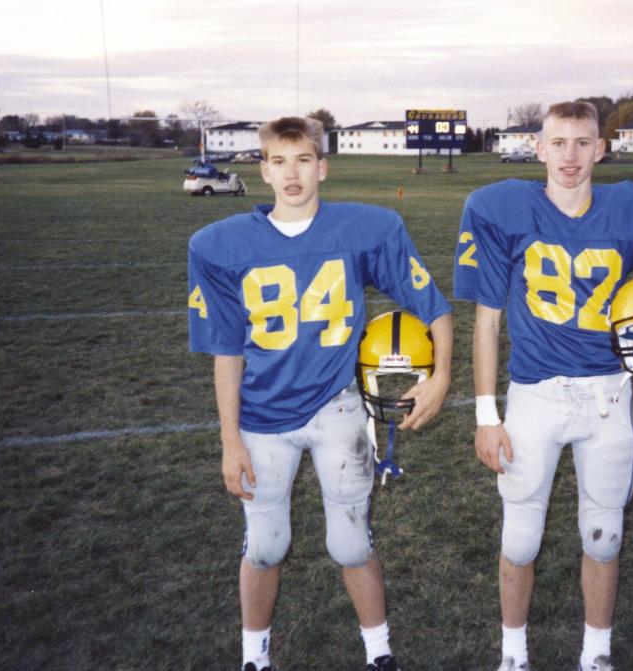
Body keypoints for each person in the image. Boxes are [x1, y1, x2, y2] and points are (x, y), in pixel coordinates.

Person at [454, 101, 633, 671]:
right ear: (539, 148)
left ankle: (596, 653)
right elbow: (488, 321)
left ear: (601, 148)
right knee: (520, 540)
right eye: (559, 142)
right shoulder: (499, 209)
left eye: (582, 142)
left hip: (608, 395)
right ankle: (513, 655)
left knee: (604, 535)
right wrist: (484, 415)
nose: (570, 156)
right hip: (535, 396)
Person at [188, 116, 453, 671]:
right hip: (261, 417)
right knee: (264, 545)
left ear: (323, 167)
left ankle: (379, 650)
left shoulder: (364, 228)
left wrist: (444, 374)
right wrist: (229, 441)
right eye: (279, 161)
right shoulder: (219, 245)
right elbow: (227, 351)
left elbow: (434, 306)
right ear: (262, 171)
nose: (292, 173)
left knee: (352, 542)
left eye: (303, 160)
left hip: (337, 408)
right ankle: (254, 656)